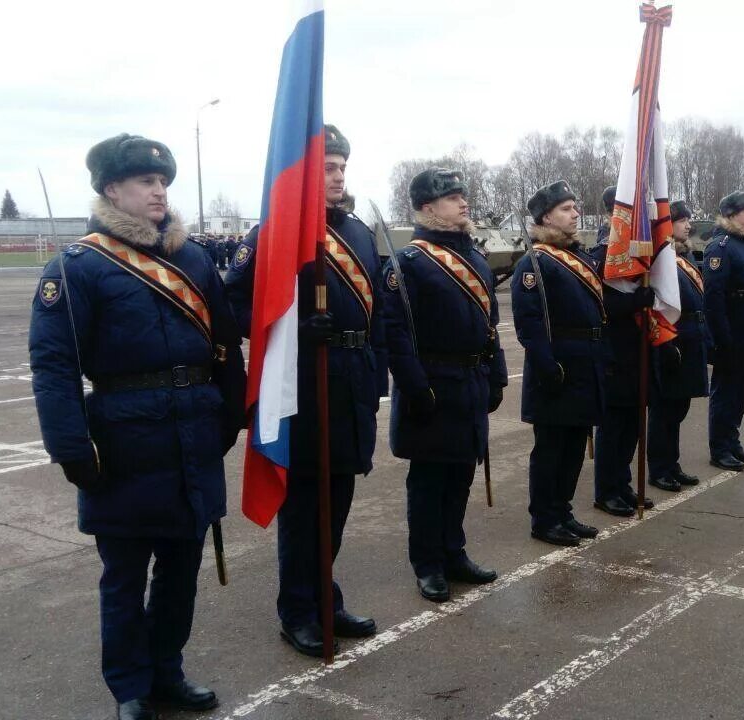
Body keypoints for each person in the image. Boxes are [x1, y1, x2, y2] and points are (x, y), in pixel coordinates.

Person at [30, 133, 247, 720]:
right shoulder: (79, 266)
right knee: (124, 578)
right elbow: (53, 366)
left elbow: (225, 343)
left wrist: (232, 413)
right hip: (123, 441)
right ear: (110, 190)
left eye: (163, 182)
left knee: (181, 571)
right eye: (145, 182)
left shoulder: (194, 258)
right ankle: (130, 687)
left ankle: (167, 672)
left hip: (193, 435)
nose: (159, 191)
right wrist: (72, 447)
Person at [225, 124, 386, 657]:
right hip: (303, 387)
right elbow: (232, 307)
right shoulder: (275, 232)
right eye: (328, 167)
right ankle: (297, 610)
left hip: (350, 384)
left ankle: (326, 599)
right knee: (304, 511)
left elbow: (377, 313)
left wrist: (376, 371)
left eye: (342, 167)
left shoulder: (359, 233)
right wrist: (291, 331)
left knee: (337, 502)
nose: (338, 177)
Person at [383, 168, 507, 602]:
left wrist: (497, 374)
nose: (463, 202)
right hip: (434, 384)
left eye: (462, 195)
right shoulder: (413, 262)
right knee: (429, 480)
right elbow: (394, 331)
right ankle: (428, 563)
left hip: (470, 380)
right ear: (426, 207)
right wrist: (416, 387)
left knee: (460, 475)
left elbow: (491, 323)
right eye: (452, 197)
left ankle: (454, 553)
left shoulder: (473, 256)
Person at [512, 180, 608, 545]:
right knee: (551, 448)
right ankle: (544, 518)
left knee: (573, 446)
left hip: (585, 366)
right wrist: (547, 365)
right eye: (567, 209)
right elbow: (529, 322)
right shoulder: (534, 262)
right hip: (558, 368)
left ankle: (563, 511)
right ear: (546, 216)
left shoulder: (578, 257)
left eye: (574, 207)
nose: (575, 214)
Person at [588, 188, 657, 517]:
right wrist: (636, 301)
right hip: (615, 351)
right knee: (614, 427)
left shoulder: (640, 253)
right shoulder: (604, 254)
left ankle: (623, 484)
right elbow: (603, 306)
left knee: (632, 424)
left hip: (636, 350)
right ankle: (606, 490)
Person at [702, 190, 744, 471]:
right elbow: (714, 298)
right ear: (731, 215)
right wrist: (722, 337)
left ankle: (732, 441)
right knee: (726, 391)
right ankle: (719, 448)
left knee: (741, 390)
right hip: (734, 331)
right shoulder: (722, 246)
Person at [647, 200, 707, 491]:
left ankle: (672, 463)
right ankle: (659, 468)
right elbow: (658, 304)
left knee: (679, 409)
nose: (688, 225)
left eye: (687, 220)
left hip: (690, 338)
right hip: (671, 339)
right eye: (682, 220)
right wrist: (665, 342)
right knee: (664, 411)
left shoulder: (684, 255)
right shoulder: (662, 257)